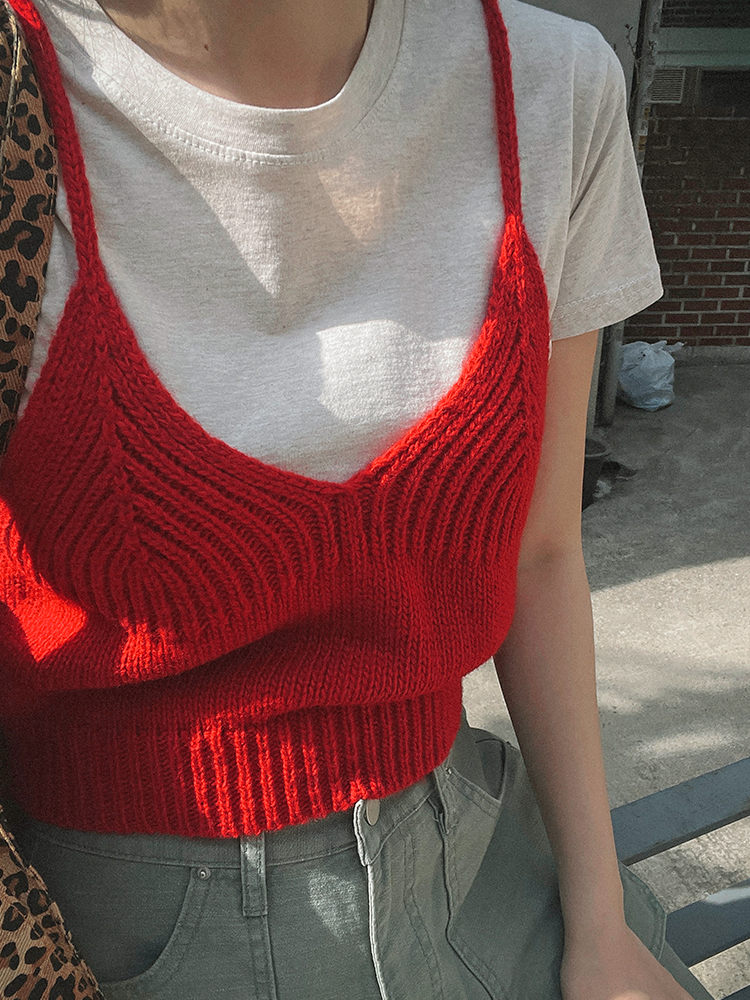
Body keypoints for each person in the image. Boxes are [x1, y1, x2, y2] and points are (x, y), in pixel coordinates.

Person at [0, 0, 713, 998]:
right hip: (115, 918)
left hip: (478, 853)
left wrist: (598, 917)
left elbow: (542, 552)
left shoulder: (552, 85)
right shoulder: (20, 96)